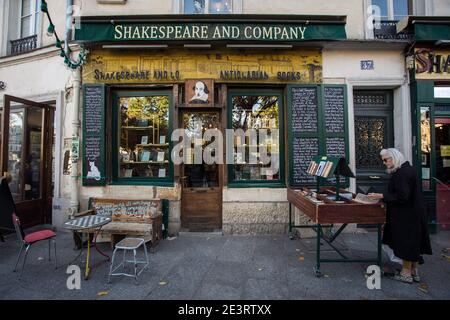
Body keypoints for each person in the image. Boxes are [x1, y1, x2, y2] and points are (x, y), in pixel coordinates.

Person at [368, 148, 432, 284]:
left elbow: (403, 196)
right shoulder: (408, 169)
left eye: (386, 160)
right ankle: (414, 271)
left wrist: (381, 196)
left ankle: (406, 273)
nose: (384, 163)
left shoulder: (402, 173)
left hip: (406, 215)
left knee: (406, 242)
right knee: (413, 242)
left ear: (394, 158)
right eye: (383, 160)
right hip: (413, 213)